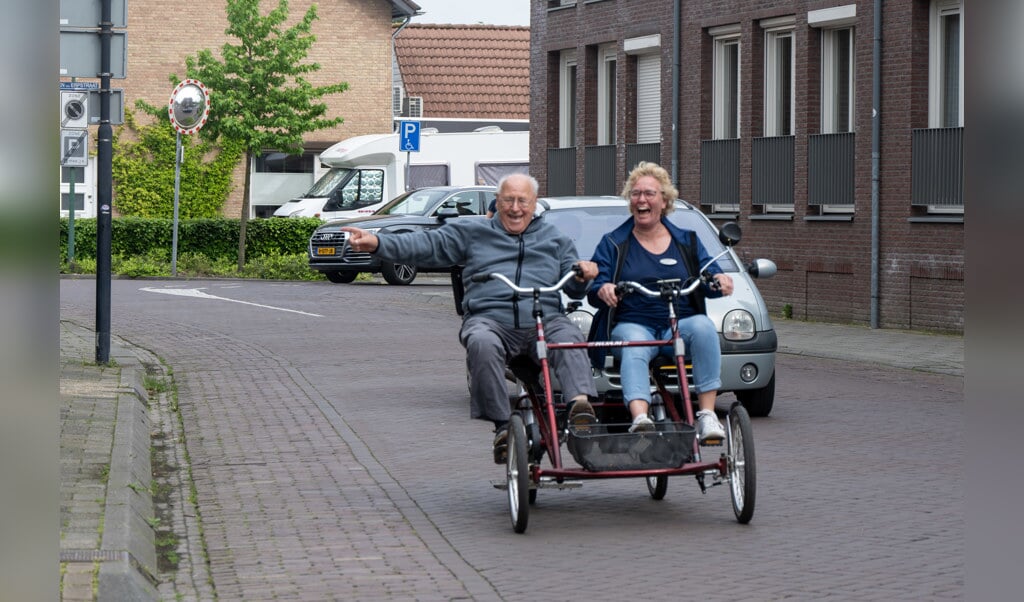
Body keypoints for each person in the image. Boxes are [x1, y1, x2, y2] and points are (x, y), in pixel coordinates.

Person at [342, 173, 600, 462]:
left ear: (534, 203)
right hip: (490, 318)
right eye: (508, 200)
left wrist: (583, 274)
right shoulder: (473, 232)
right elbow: (425, 245)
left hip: (544, 319)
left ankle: (580, 406)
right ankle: (502, 426)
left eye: (522, 201)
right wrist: (377, 243)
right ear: (497, 202)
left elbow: (574, 283)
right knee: (480, 342)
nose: (515, 208)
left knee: (569, 337)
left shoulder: (555, 239)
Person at [587, 162, 734, 441]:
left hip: (677, 323)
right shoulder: (613, 243)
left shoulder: (686, 241)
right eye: (636, 193)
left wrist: (719, 280)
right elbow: (594, 289)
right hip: (632, 322)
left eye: (650, 194)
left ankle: (706, 415)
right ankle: (640, 417)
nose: (642, 200)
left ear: (664, 200)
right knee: (633, 344)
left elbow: (707, 276)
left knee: (703, 327)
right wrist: (603, 288)